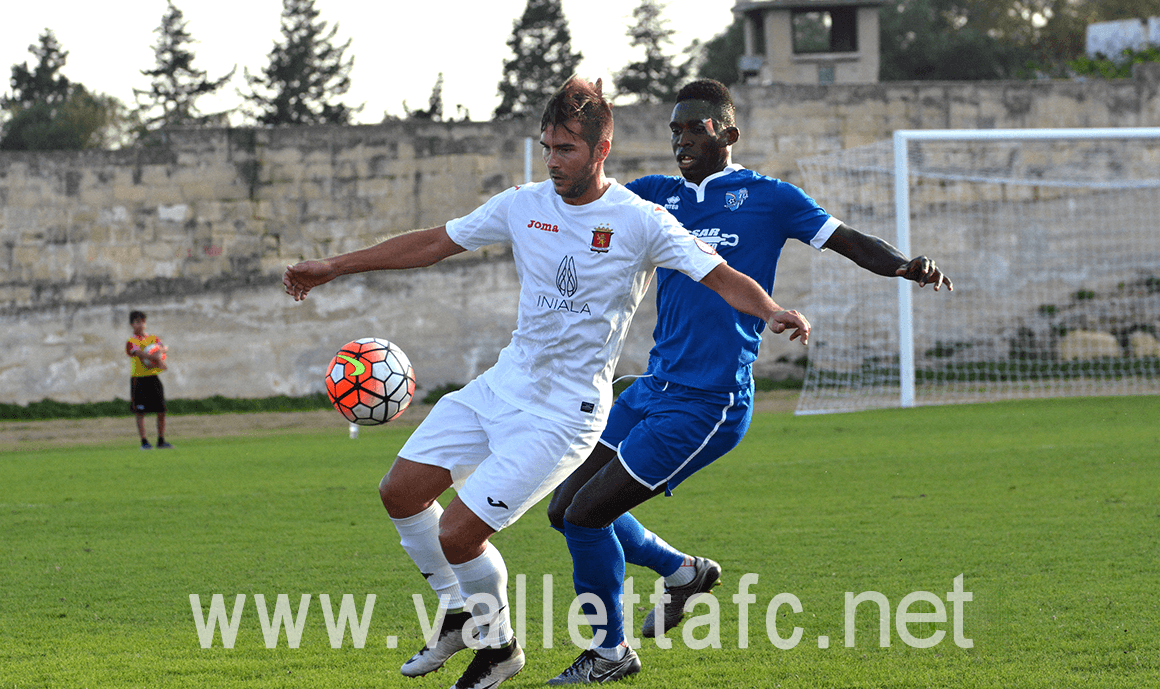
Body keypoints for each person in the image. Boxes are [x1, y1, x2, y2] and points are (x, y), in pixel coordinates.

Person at [282, 77, 811, 689]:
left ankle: (500, 648)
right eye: (548, 148)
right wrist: (332, 267)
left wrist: (770, 310)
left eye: (567, 149)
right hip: (504, 384)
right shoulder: (523, 205)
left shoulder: (642, 221)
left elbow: (721, 276)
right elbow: (433, 243)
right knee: (400, 492)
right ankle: (461, 615)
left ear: (601, 147)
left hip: (565, 413)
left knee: (458, 533)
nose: (554, 162)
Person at [545, 78, 953, 683]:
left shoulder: (770, 198)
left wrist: (904, 265)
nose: (683, 139)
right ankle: (684, 574)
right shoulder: (654, 195)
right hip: (650, 388)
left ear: (728, 135)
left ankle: (610, 652)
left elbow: (846, 241)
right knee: (561, 510)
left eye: (696, 128)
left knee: (586, 518)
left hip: (709, 403)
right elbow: (583, 201)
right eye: (675, 129)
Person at [126, 310, 172, 450]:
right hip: (139, 380)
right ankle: (144, 442)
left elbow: (164, 347)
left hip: (153, 378)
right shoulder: (131, 341)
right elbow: (139, 354)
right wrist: (157, 359)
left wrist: (160, 353)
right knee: (140, 412)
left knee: (161, 410)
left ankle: (161, 440)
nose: (140, 325)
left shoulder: (152, 339)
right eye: (137, 322)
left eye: (143, 322)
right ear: (132, 325)